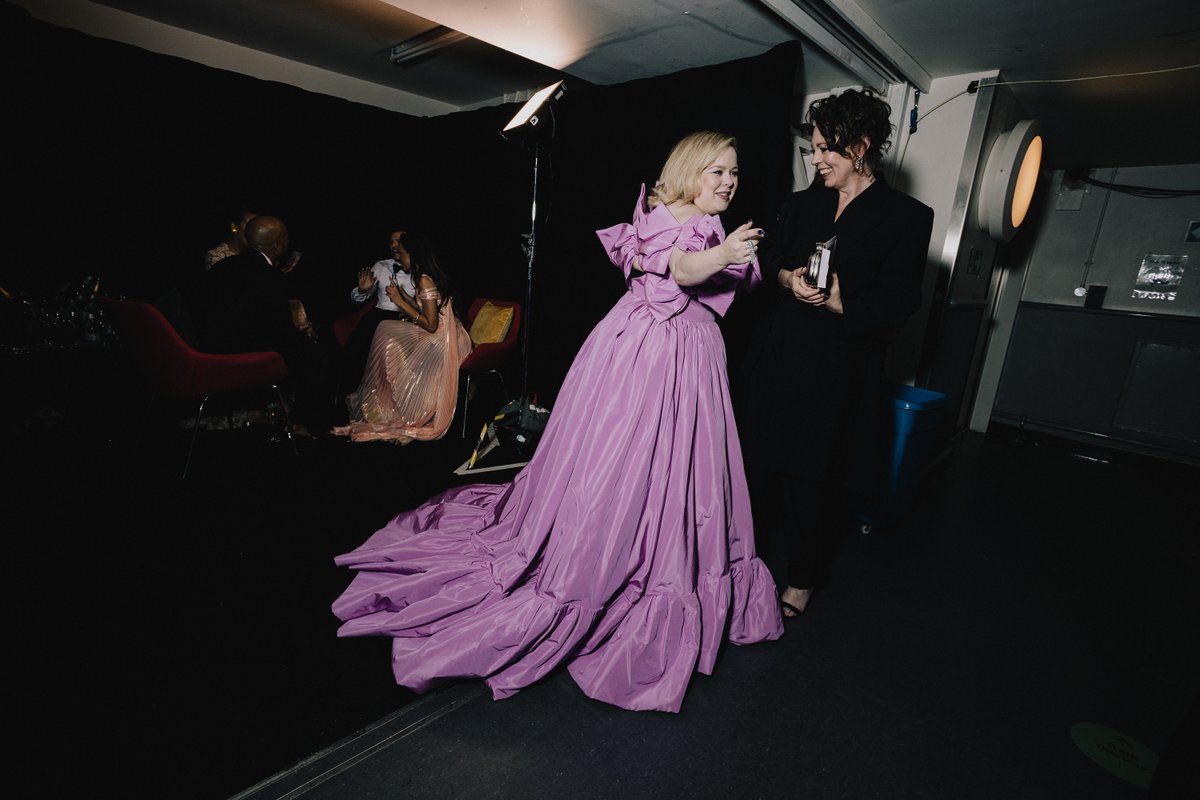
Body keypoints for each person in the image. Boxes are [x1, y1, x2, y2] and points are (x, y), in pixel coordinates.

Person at [331, 131, 783, 713]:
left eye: (734, 174)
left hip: (690, 357)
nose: (728, 182)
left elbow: (707, 278)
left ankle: (663, 558)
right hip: (650, 359)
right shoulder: (669, 216)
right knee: (626, 463)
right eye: (717, 171)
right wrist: (720, 257)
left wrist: (749, 264)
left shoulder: (707, 221)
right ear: (690, 170)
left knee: (685, 470)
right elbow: (681, 268)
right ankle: (613, 567)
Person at [736, 88, 934, 618]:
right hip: (776, 355)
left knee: (811, 477)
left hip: (838, 367)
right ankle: (741, 565)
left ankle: (802, 578)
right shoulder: (802, 202)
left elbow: (903, 299)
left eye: (828, 149)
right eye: (814, 147)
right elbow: (771, 258)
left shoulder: (908, 216)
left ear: (862, 147)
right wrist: (786, 277)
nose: (816, 158)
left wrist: (846, 303)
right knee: (755, 465)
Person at [196, 214, 334, 434]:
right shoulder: (271, 278)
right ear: (278, 246)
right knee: (317, 353)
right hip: (245, 356)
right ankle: (303, 425)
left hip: (208, 353)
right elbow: (278, 333)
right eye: (287, 238)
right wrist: (307, 337)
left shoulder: (222, 267)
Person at [332, 231, 471, 444]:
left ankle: (393, 401)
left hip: (444, 338)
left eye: (403, 253)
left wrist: (401, 302)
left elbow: (431, 325)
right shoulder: (423, 277)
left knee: (386, 331)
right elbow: (428, 312)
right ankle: (386, 398)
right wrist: (406, 297)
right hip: (442, 332)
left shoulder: (424, 279)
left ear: (413, 255)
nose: (399, 256)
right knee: (385, 328)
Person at [338, 230, 419, 395]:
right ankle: (350, 398)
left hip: (405, 319)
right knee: (354, 351)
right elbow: (358, 300)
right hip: (378, 315)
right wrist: (362, 290)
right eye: (391, 242)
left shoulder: (419, 269)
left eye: (399, 241)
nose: (394, 246)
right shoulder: (380, 266)